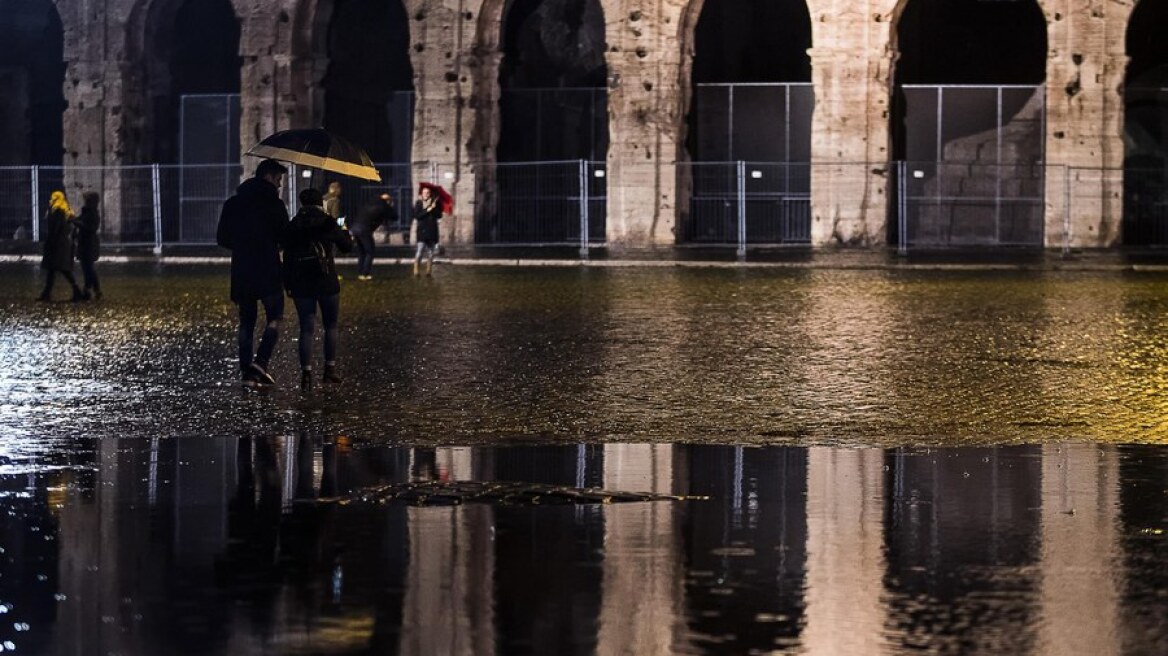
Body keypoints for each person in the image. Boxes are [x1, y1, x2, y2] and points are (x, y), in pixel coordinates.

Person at [217, 158, 290, 387]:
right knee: (275, 318)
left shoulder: (233, 203)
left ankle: (246, 370)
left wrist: (242, 245)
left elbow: (222, 238)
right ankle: (260, 363)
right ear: (268, 176)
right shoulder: (275, 205)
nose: (279, 185)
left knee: (246, 323)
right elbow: (283, 237)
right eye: (278, 179)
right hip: (268, 268)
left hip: (242, 270)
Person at [283, 188, 353, 392]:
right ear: (319, 203)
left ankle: (306, 373)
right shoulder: (328, 222)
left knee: (306, 328)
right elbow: (347, 246)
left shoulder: (294, 224)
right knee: (330, 326)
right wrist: (345, 231)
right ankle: (329, 370)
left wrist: (287, 283)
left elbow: (286, 257)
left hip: (301, 283)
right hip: (326, 281)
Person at [37, 190, 88, 302]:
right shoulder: (64, 210)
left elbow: (56, 228)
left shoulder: (58, 211)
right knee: (55, 270)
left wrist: (50, 241)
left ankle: (76, 292)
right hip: (61, 244)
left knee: (62, 270)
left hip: (57, 244)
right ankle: (47, 293)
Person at [351, 192, 396, 280]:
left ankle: (360, 272)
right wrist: (391, 206)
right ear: (387, 201)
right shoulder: (383, 206)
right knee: (370, 251)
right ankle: (365, 273)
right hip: (364, 230)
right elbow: (394, 216)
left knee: (362, 252)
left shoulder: (371, 203)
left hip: (355, 228)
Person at [411, 185, 444, 277]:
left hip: (432, 230)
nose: (426, 194)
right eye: (424, 193)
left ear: (430, 194)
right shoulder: (419, 203)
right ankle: (416, 270)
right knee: (420, 250)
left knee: (431, 252)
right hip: (422, 231)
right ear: (422, 194)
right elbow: (417, 216)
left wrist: (434, 209)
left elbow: (439, 216)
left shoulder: (435, 203)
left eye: (428, 193)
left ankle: (428, 271)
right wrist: (428, 209)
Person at [76, 191, 102, 299]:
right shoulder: (88, 212)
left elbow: (89, 228)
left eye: (87, 200)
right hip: (85, 242)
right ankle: (96, 289)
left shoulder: (92, 213)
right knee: (88, 267)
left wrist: (76, 222)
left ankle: (87, 289)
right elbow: (80, 220)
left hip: (88, 243)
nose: (85, 202)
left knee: (87, 267)